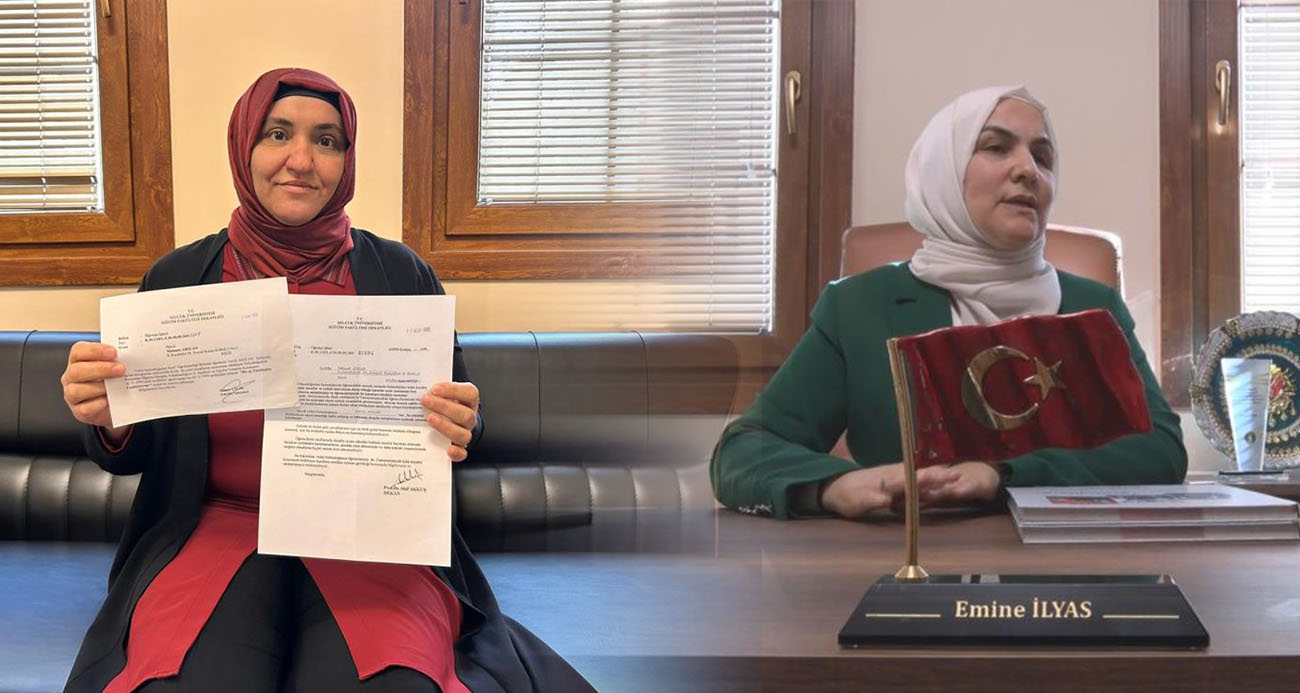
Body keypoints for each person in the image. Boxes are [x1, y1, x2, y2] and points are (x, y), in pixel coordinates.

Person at [60, 68, 594, 693]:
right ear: (243, 148)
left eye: (327, 140)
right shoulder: (178, 278)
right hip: (213, 528)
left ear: (347, 160)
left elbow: (462, 423)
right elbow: (132, 455)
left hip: (367, 533)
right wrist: (109, 418)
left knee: (397, 683)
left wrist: (461, 422)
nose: (301, 160)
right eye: (277, 133)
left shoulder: (401, 273)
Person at [710, 85, 1186, 520]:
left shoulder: (1095, 307)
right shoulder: (859, 307)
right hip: (914, 563)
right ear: (943, 170)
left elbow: (1160, 451)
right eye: (996, 147)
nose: (1028, 170)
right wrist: (834, 486)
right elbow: (743, 452)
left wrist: (1001, 476)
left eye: (1043, 157)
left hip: (1072, 568)